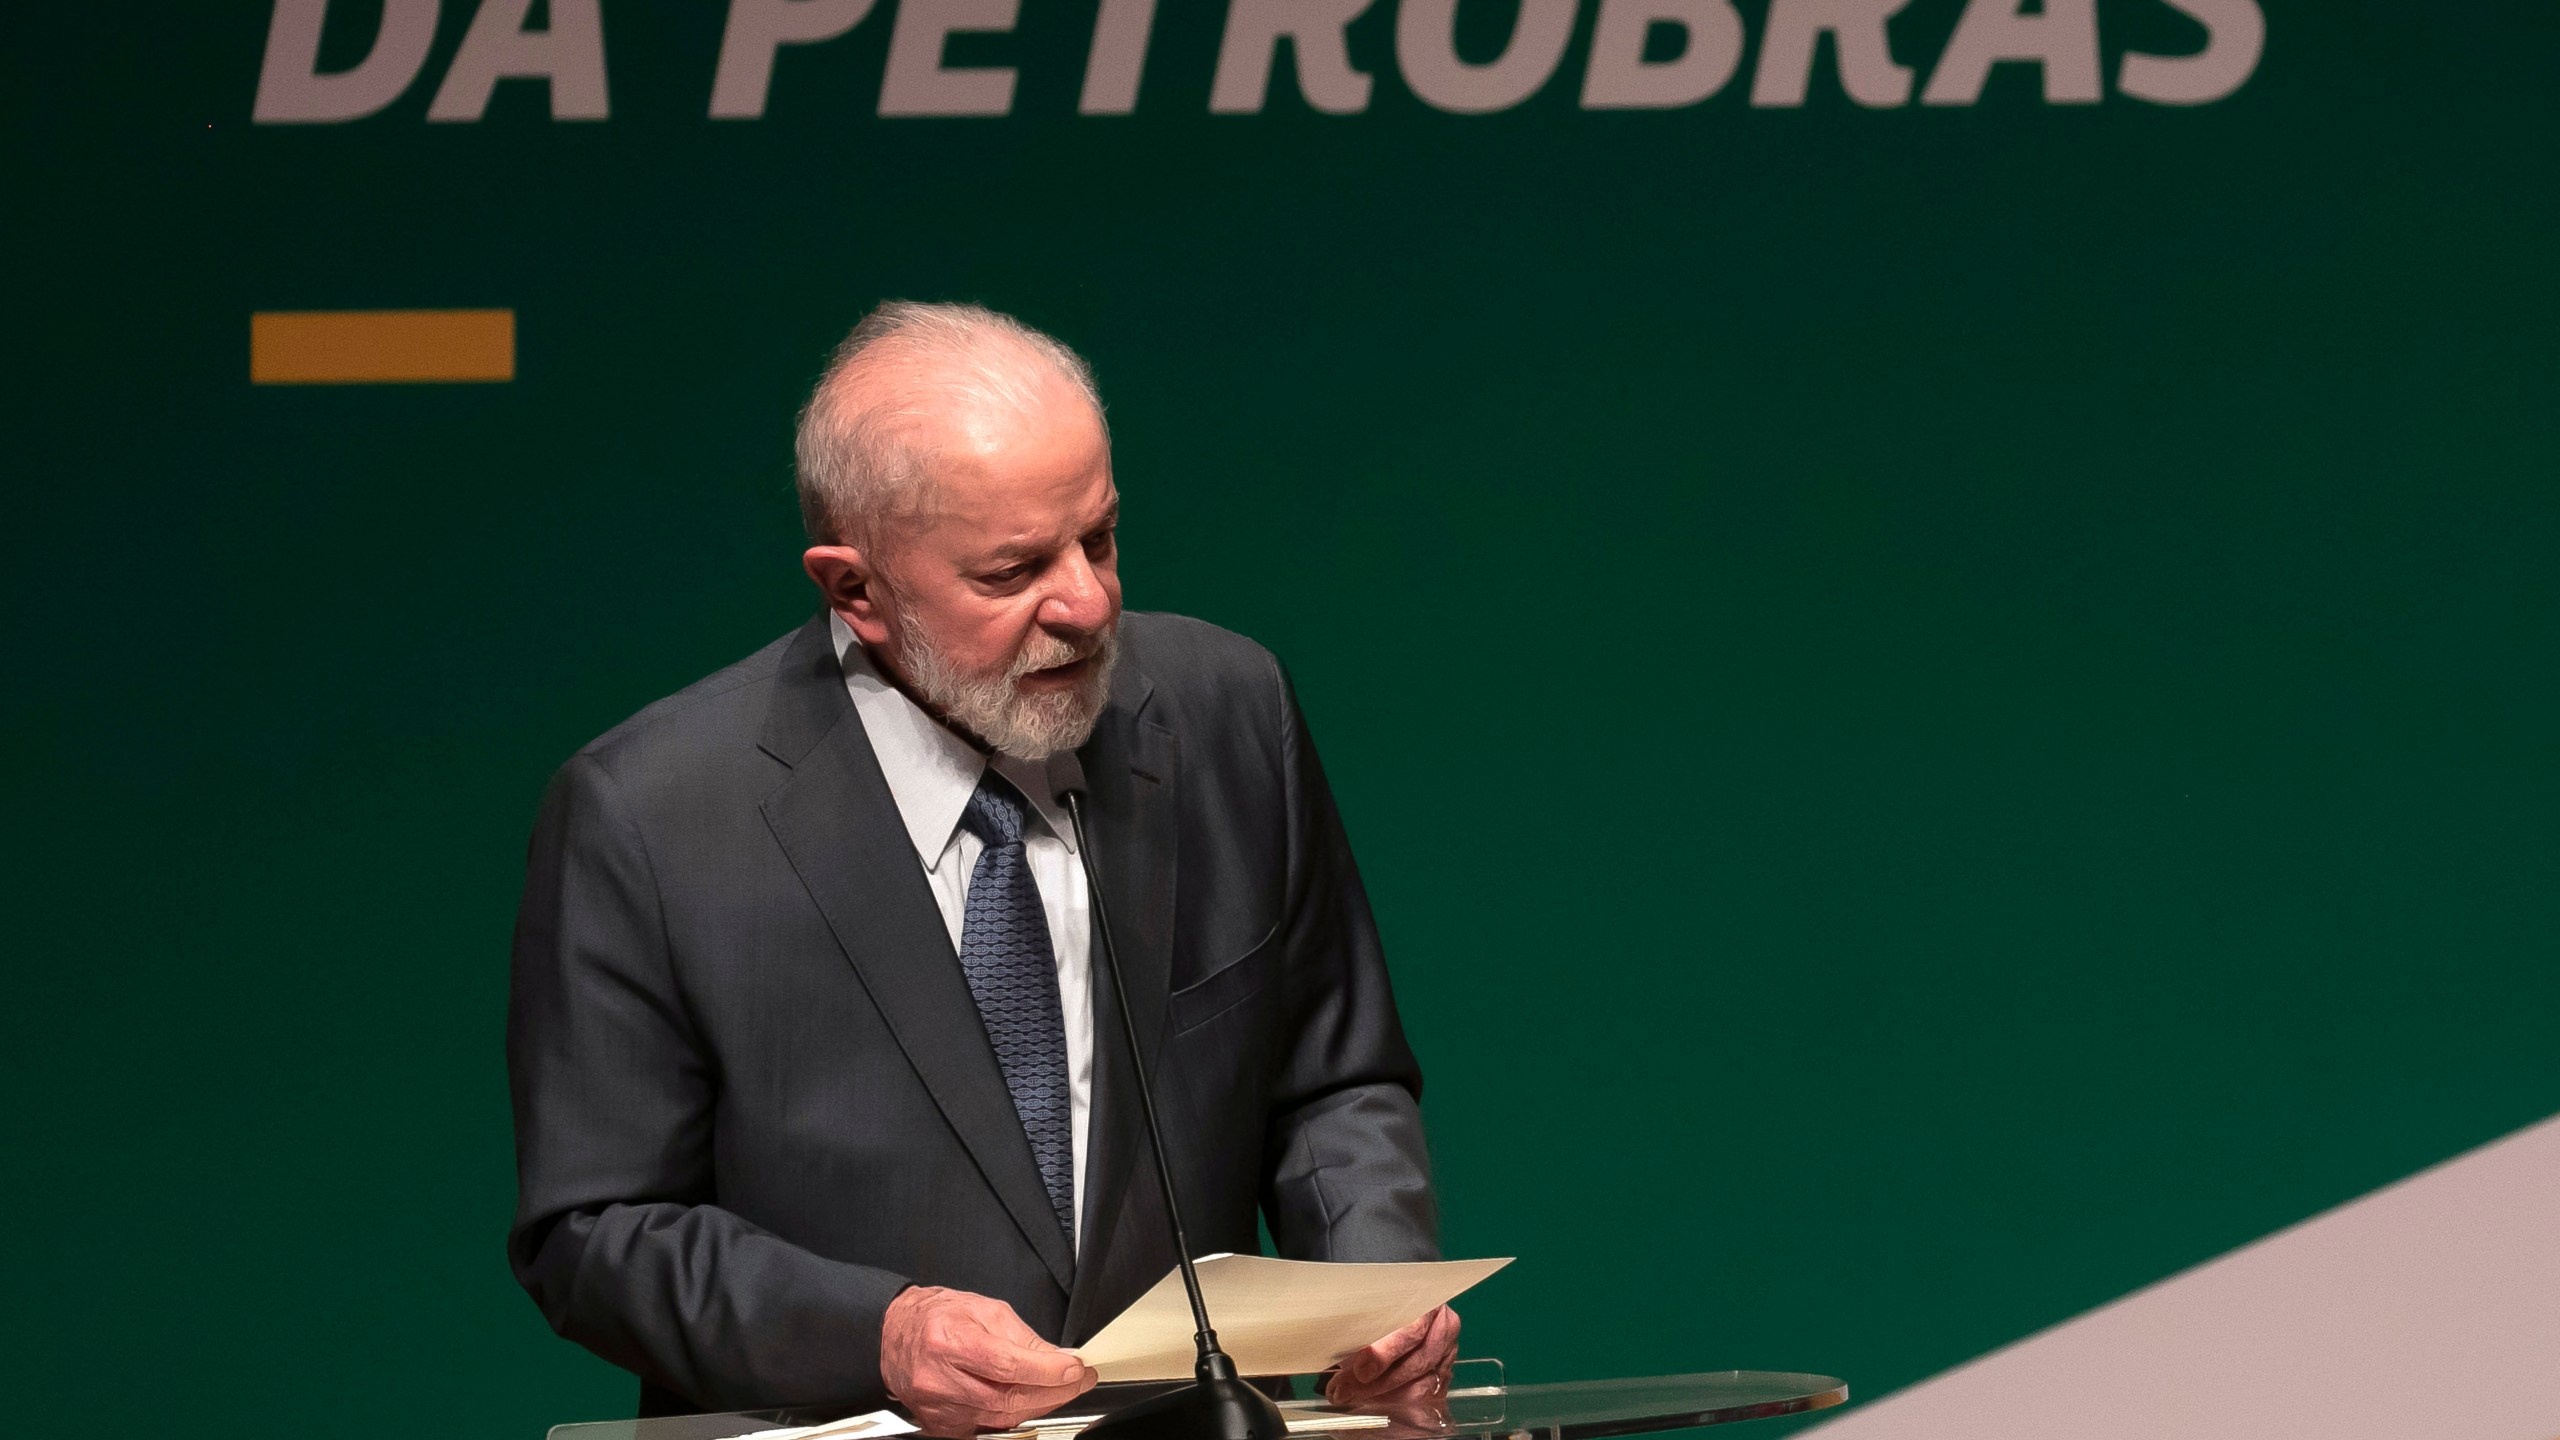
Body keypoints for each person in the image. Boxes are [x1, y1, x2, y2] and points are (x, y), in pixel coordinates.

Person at [508, 301, 1456, 1434]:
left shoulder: (1223, 711)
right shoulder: (650, 816)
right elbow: (597, 1231)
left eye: (1098, 538)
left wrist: (1371, 1295)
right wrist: (882, 1335)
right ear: (854, 591)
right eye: (1013, 572)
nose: (1089, 603)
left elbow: (1331, 1085)